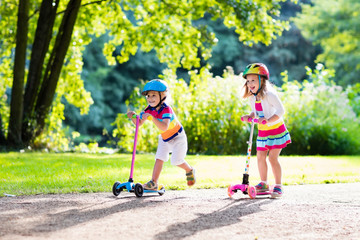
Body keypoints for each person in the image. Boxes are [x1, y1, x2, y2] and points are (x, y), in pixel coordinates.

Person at [127, 79, 196, 190]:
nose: (150, 99)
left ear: (163, 96)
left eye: (154, 95)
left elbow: (164, 126)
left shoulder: (166, 109)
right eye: (148, 96)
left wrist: (152, 118)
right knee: (159, 158)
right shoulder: (149, 109)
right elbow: (138, 123)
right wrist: (133, 117)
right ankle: (154, 182)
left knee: (176, 161)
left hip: (178, 137)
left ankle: (189, 170)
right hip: (165, 138)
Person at [241, 63, 291, 198]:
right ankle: (264, 184)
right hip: (263, 132)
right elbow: (255, 112)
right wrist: (250, 117)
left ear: (261, 80)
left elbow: (281, 111)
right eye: (248, 81)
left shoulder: (270, 95)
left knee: (273, 158)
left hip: (276, 130)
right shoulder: (252, 97)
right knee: (260, 157)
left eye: (253, 80)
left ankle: (278, 186)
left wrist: (269, 120)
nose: (250, 83)